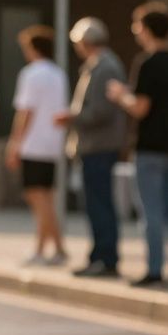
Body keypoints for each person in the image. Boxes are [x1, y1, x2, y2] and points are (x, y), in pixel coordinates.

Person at [106, 3, 168, 287]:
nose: (135, 32)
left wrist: (121, 96)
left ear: (146, 29)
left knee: (151, 211)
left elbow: (141, 108)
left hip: (149, 146)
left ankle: (154, 270)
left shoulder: (147, 62)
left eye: (137, 26)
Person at [57, 17, 127, 278]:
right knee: (96, 203)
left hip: (99, 146)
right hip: (94, 145)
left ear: (85, 42)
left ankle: (105, 258)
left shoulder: (105, 66)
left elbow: (101, 111)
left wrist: (71, 117)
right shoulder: (98, 65)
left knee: (99, 204)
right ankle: (99, 256)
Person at [7, 26, 69, 265]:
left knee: (38, 199)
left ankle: (42, 249)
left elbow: (25, 112)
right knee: (45, 199)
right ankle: (58, 248)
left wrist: (15, 144)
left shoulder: (31, 73)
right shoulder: (58, 73)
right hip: (52, 143)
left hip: (33, 144)